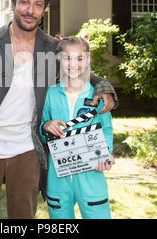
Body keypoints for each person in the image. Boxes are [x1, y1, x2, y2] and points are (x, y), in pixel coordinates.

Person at [0, 0, 119, 219]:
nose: (30, 10)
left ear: (44, 10)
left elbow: (77, 68)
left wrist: (103, 85)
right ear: (13, 4)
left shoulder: (51, 48)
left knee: (23, 215)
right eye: (25, 2)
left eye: (38, 4)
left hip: (27, 148)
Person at [40, 36, 114, 219]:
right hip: (58, 177)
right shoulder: (50, 93)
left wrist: (105, 153)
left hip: (91, 174)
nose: (73, 64)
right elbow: (40, 131)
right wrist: (46, 126)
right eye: (67, 58)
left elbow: (106, 128)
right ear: (59, 59)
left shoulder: (97, 95)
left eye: (80, 58)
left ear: (88, 59)